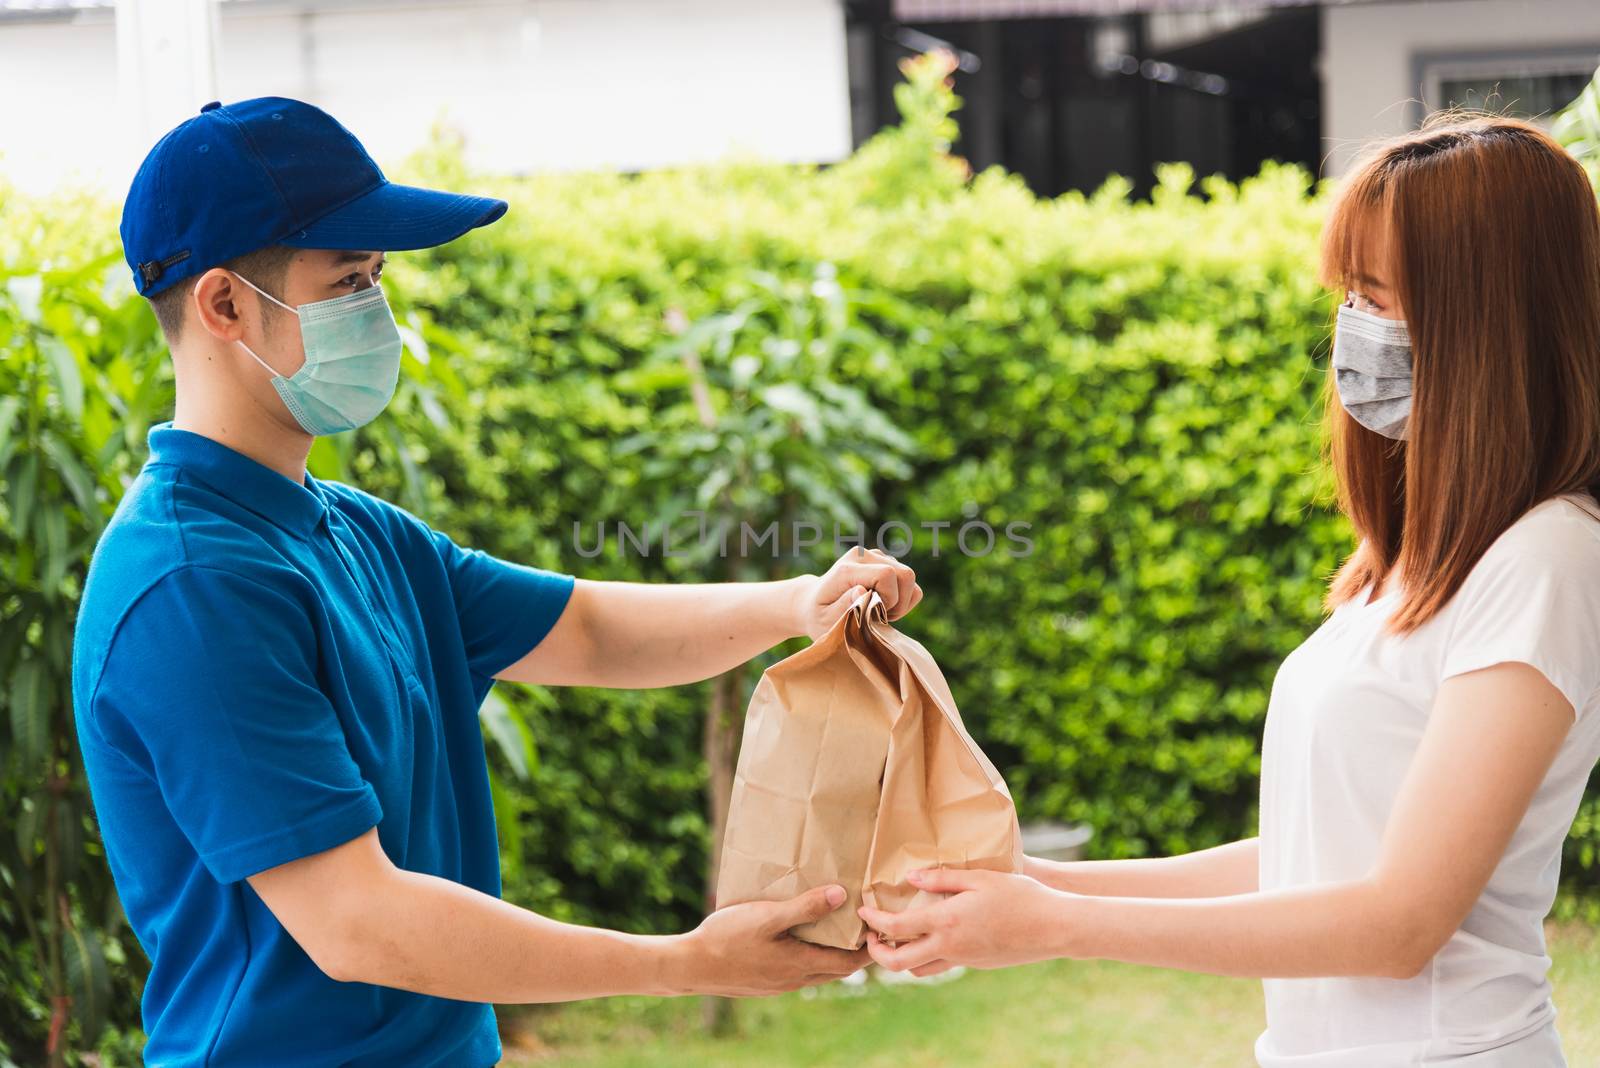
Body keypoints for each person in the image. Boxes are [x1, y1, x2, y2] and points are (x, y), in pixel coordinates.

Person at [71, 97, 922, 1066]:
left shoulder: (353, 532)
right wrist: (679, 963)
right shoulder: (192, 586)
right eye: (348, 281)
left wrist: (790, 603)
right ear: (224, 305)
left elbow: (589, 631)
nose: (376, 314)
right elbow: (357, 925)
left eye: (378, 281)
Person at [858, 113, 1600, 1066]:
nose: (1353, 332)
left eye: (1379, 297)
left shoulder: (1549, 560)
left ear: (1484, 322)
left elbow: (1397, 924)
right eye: (1350, 297)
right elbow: (1312, 860)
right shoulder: (1420, 561)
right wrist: (1030, 883)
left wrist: (1055, 926)